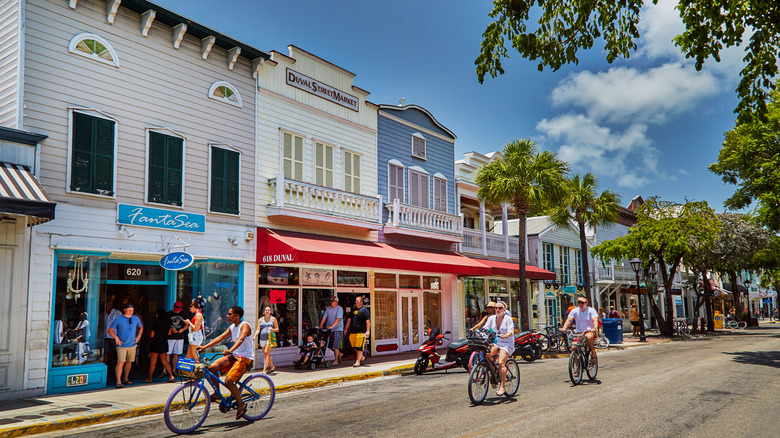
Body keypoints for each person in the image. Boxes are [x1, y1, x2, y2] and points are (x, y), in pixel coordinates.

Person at [197, 306, 254, 420]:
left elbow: (241, 339)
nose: (227, 316)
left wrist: (230, 350)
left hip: (245, 358)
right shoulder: (232, 327)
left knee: (228, 381)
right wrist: (204, 347)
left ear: (237, 316)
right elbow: (220, 338)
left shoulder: (245, 326)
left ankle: (241, 404)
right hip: (234, 356)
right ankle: (217, 393)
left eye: (230, 314)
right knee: (211, 368)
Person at [108, 303, 143, 388]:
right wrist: (116, 338)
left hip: (132, 344)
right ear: (124, 309)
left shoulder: (135, 318)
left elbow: (141, 327)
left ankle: (126, 379)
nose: (131, 312)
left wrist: (138, 337)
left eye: (132, 310)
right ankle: (118, 381)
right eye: (129, 310)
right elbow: (110, 330)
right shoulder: (119, 319)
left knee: (129, 362)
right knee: (120, 362)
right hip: (122, 345)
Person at [562, 297, 600, 375]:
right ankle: (578, 367)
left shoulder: (591, 311)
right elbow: (569, 320)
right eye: (579, 303)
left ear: (586, 303)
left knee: (589, 337)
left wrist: (595, 328)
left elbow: (595, 320)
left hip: (590, 331)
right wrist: (564, 328)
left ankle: (593, 353)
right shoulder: (574, 311)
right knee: (574, 347)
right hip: (579, 333)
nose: (580, 304)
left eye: (582, 303)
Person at [485, 300, 515, 396]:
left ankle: (502, 386)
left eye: (500, 308)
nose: (497, 309)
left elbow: (510, 331)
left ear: (504, 309)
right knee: (488, 354)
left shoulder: (508, 319)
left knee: (501, 362)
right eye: (496, 308)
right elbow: (485, 328)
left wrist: (506, 335)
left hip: (506, 343)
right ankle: (493, 373)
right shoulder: (491, 318)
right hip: (496, 341)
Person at [145, 308, 175, 383]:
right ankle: (171, 375)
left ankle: (150, 378)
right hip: (164, 343)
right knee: (165, 361)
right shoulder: (167, 323)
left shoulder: (156, 323)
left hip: (155, 343)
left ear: (157, 315)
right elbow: (169, 333)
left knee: (153, 362)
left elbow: (152, 335)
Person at [344, 296, 370, 367]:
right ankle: (361, 357)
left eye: (357, 301)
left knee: (359, 347)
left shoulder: (364, 310)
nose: (356, 302)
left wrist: (368, 331)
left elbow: (367, 321)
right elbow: (349, 320)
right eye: (356, 301)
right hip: (352, 332)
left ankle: (358, 361)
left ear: (361, 302)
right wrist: (346, 328)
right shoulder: (353, 310)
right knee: (354, 346)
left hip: (361, 332)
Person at [253, 306, 279, 374]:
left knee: (266, 353)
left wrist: (272, 329)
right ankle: (272, 367)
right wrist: (255, 336)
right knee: (265, 353)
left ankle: (264, 370)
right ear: (264, 311)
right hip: (262, 338)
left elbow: (277, 329)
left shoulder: (273, 319)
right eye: (266, 310)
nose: (267, 311)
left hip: (269, 338)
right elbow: (258, 329)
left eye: (268, 310)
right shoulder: (260, 319)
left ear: (270, 311)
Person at [319, 296, 344, 365]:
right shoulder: (328, 308)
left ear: (336, 302)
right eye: (331, 301)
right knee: (329, 345)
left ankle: (336, 361)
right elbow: (324, 317)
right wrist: (321, 324)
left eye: (333, 301)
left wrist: (332, 326)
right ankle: (339, 354)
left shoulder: (339, 309)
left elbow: (338, 319)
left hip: (337, 329)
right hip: (329, 329)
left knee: (335, 346)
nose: (331, 302)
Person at [167, 301, 188, 374]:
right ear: (173, 307)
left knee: (176, 354)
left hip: (179, 336)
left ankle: (174, 370)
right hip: (170, 337)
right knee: (168, 353)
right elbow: (165, 324)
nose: (178, 310)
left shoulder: (183, 314)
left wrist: (182, 329)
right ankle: (166, 370)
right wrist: (171, 329)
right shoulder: (169, 314)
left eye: (179, 309)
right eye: (177, 308)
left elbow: (187, 324)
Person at [102, 300, 121, 365]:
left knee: (116, 352)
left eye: (107, 305)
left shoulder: (117, 313)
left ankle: (116, 366)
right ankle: (106, 366)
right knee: (106, 352)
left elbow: (121, 325)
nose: (106, 307)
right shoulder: (104, 314)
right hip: (106, 336)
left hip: (115, 336)